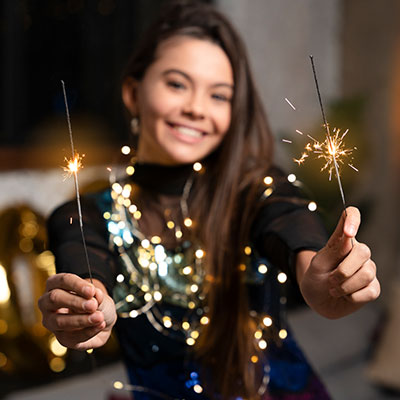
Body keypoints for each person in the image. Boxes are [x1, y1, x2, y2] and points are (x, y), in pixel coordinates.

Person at [38, 1, 380, 399]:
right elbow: (88, 275)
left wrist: (319, 280)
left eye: (219, 95)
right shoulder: (85, 216)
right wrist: (88, 311)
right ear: (133, 92)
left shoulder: (257, 189)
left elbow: (291, 229)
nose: (197, 108)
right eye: (177, 84)